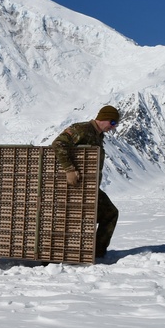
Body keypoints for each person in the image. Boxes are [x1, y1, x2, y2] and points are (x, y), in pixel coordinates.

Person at [51, 105, 121, 259]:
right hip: (73, 186)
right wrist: (69, 169)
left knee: (110, 213)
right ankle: (55, 256)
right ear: (104, 118)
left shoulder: (98, 135)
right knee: (69, 220)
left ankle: (97, 252)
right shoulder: (81, 130)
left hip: (88, 188)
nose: (113, 127)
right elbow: (58, 144)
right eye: (113, 123)